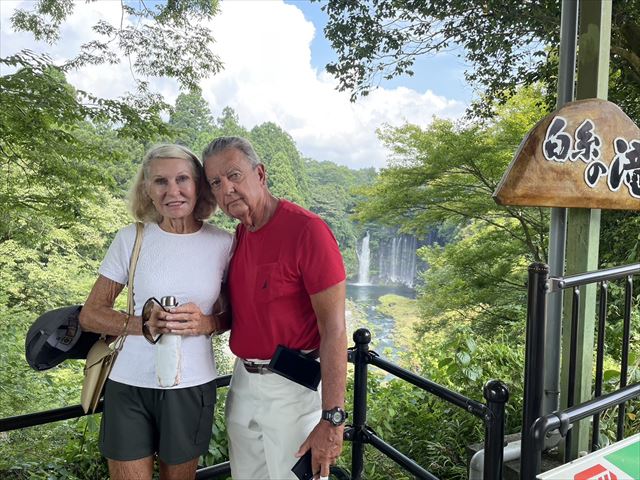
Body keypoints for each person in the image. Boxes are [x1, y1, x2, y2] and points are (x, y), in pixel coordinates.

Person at [79, 144, 232, 480]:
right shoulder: (131, 239)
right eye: (160, 181)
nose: (172, 191)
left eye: (182, 179)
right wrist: (142, 324)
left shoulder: (224, 244)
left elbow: (233, 315)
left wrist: (207, 322)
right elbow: (90, 314)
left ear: (198, 186)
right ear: (146, 189)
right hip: (128, 384)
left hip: (191, 385)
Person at [202, 136, 347, 480]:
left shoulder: (307, 231)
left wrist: (333, 418)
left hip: (293, 389)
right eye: (216, 183)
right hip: (243, 384)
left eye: (234, 175)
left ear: (261, 174)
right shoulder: (238, 238)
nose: (227, 190)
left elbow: (335, 330)